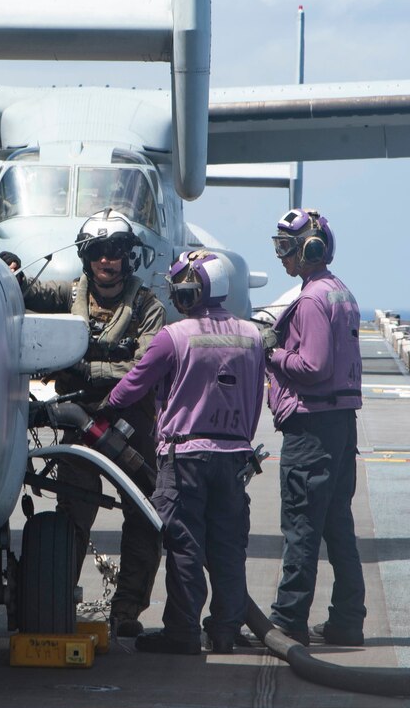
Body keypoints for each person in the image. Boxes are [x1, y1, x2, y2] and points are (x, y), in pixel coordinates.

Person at [102, 251, 265, 655]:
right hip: (235, 457)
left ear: (189, 292)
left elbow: (132, 386)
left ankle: (182, 631)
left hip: (185, 456)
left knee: (185, 545)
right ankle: (225, 631)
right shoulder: (253, 335)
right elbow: (258, 393)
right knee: (228, 547)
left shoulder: (174, 336)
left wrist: (105, 404)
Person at [24, 209, 165, 637]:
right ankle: (56, 598)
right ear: (87, 256)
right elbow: (24, 289)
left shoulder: (147, 307)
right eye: (100, 251)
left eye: (117, 250)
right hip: (79, 424)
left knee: (143, 517)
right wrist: (9, 269)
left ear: (129, 257)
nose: (108, 259)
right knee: (73, 514)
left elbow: (145, 368)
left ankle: (125, 612)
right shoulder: (67, 296)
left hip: (130, 425)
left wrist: (90, 373)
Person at [255, 208, 364, 647]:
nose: (282, 257)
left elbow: (313, 366)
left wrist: (272, 352)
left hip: (312, 426)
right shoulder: (341, 292)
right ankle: (347, 620)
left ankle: (287, 620)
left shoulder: (313, 300)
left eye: (287, 249)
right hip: (340, 424)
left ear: (309, 250)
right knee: (337, 523)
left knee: (301, 525)